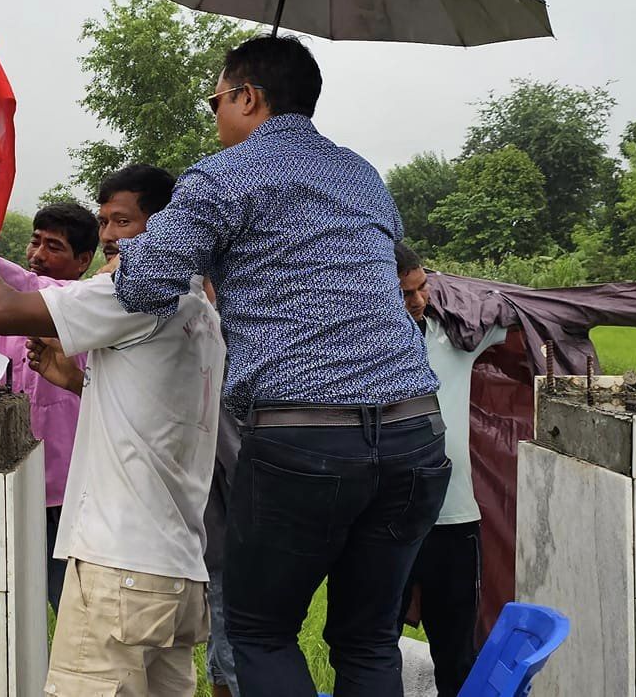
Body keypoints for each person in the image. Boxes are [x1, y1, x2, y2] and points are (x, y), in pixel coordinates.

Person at [113, 35, 445, 696]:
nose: (215, 114)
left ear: (247, 96)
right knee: (368, 638)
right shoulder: (361, 174)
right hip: (415, 434)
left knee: (261, 632)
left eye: (216, 98)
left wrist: (136, 251)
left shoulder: (223, 174)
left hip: (305, 438)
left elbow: (145, 283)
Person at [0, 177, 224, 697]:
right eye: (105, 221)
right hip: (177, 571)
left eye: (123, 221)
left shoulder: (135, 292)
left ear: (165, 226)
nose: (111, 236)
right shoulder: (200, 312)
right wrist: (75, 379)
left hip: (120, 569)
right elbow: (152, 410)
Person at [397, 242, 506, 694]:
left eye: (423, 287)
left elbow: (510, 309)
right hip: (388, 520)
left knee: (456, 651)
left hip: (454, 519)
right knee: (371, 644)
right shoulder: (360, 350)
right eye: (405, 294)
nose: (418, 301)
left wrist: (453, 291)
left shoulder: (455, 336)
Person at [0, 199, 99, 610]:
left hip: (66, 491)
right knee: (11, 609)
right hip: (13, 483)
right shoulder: (5, 318)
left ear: (83, 261)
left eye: (54, 246)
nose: (38, 255)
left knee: (72, 604)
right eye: (35, 242)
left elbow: (29, 286)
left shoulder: (83, 305)